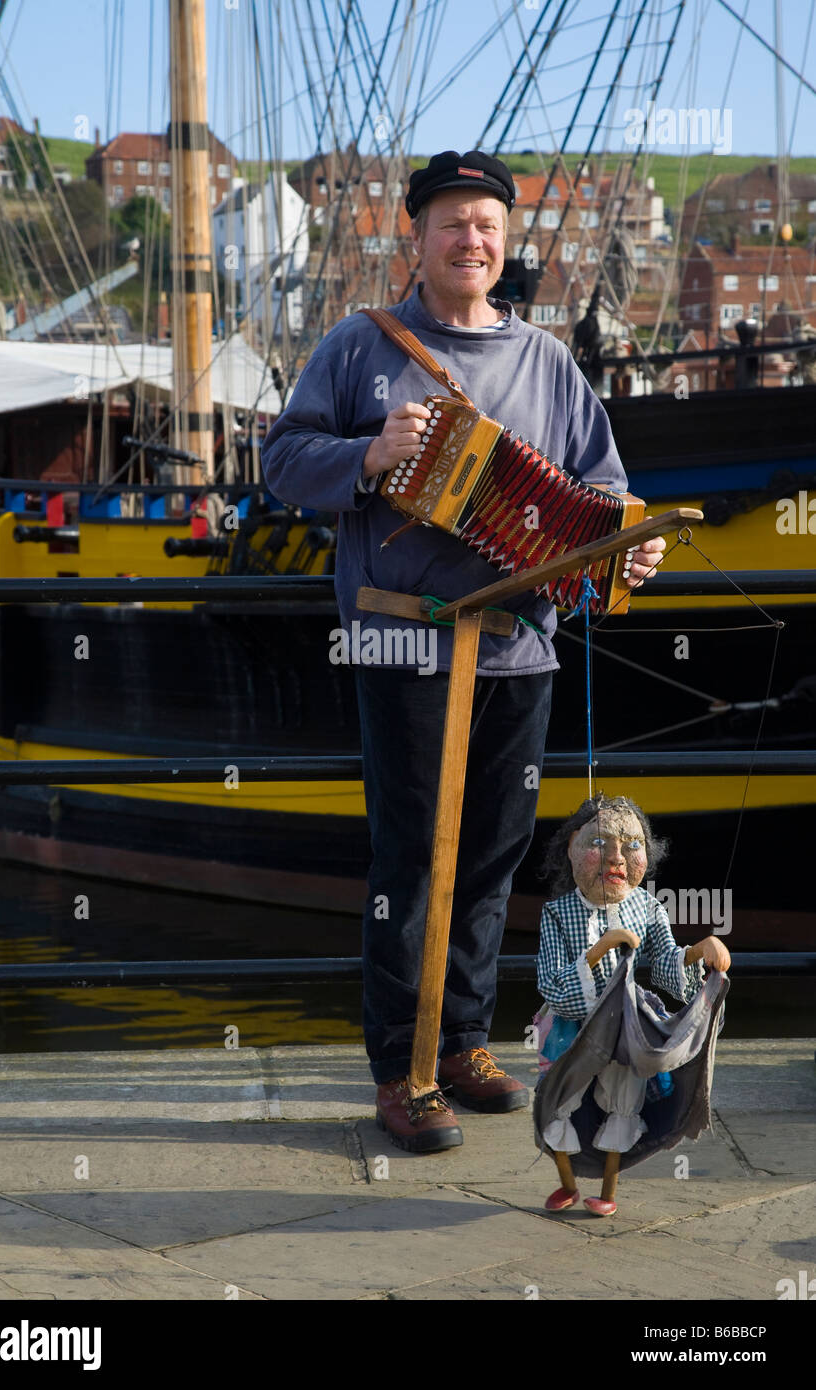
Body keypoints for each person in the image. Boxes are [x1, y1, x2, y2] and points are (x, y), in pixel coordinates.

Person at [262, 150, 667, 1154]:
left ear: (502, 242)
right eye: (452, 224)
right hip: (401, 639)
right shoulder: (360, 349)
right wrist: (366, 456)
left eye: (486, 226)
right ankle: (400, 1067)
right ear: (418, 237)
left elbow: (604, 497)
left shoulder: (545, 364)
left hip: (518, 651)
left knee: (489, 853)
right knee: (410, 854)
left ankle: (460, 1045)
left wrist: (633, 544)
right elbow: (279, 465)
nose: (470, 241)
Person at [535, 794, 731, 1215]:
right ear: (572, 847)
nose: (616, 857)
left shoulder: (645, 906)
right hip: (574, 1028)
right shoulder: (556, 913)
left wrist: (699, 950)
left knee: (624, 1098)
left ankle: (607, 1192)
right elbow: (551, 984)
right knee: (560, 1102)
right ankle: (566, 1182)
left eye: (631, 845)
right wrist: (601, 948)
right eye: (599, 843)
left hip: (626, 1022)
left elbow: (663, 962)